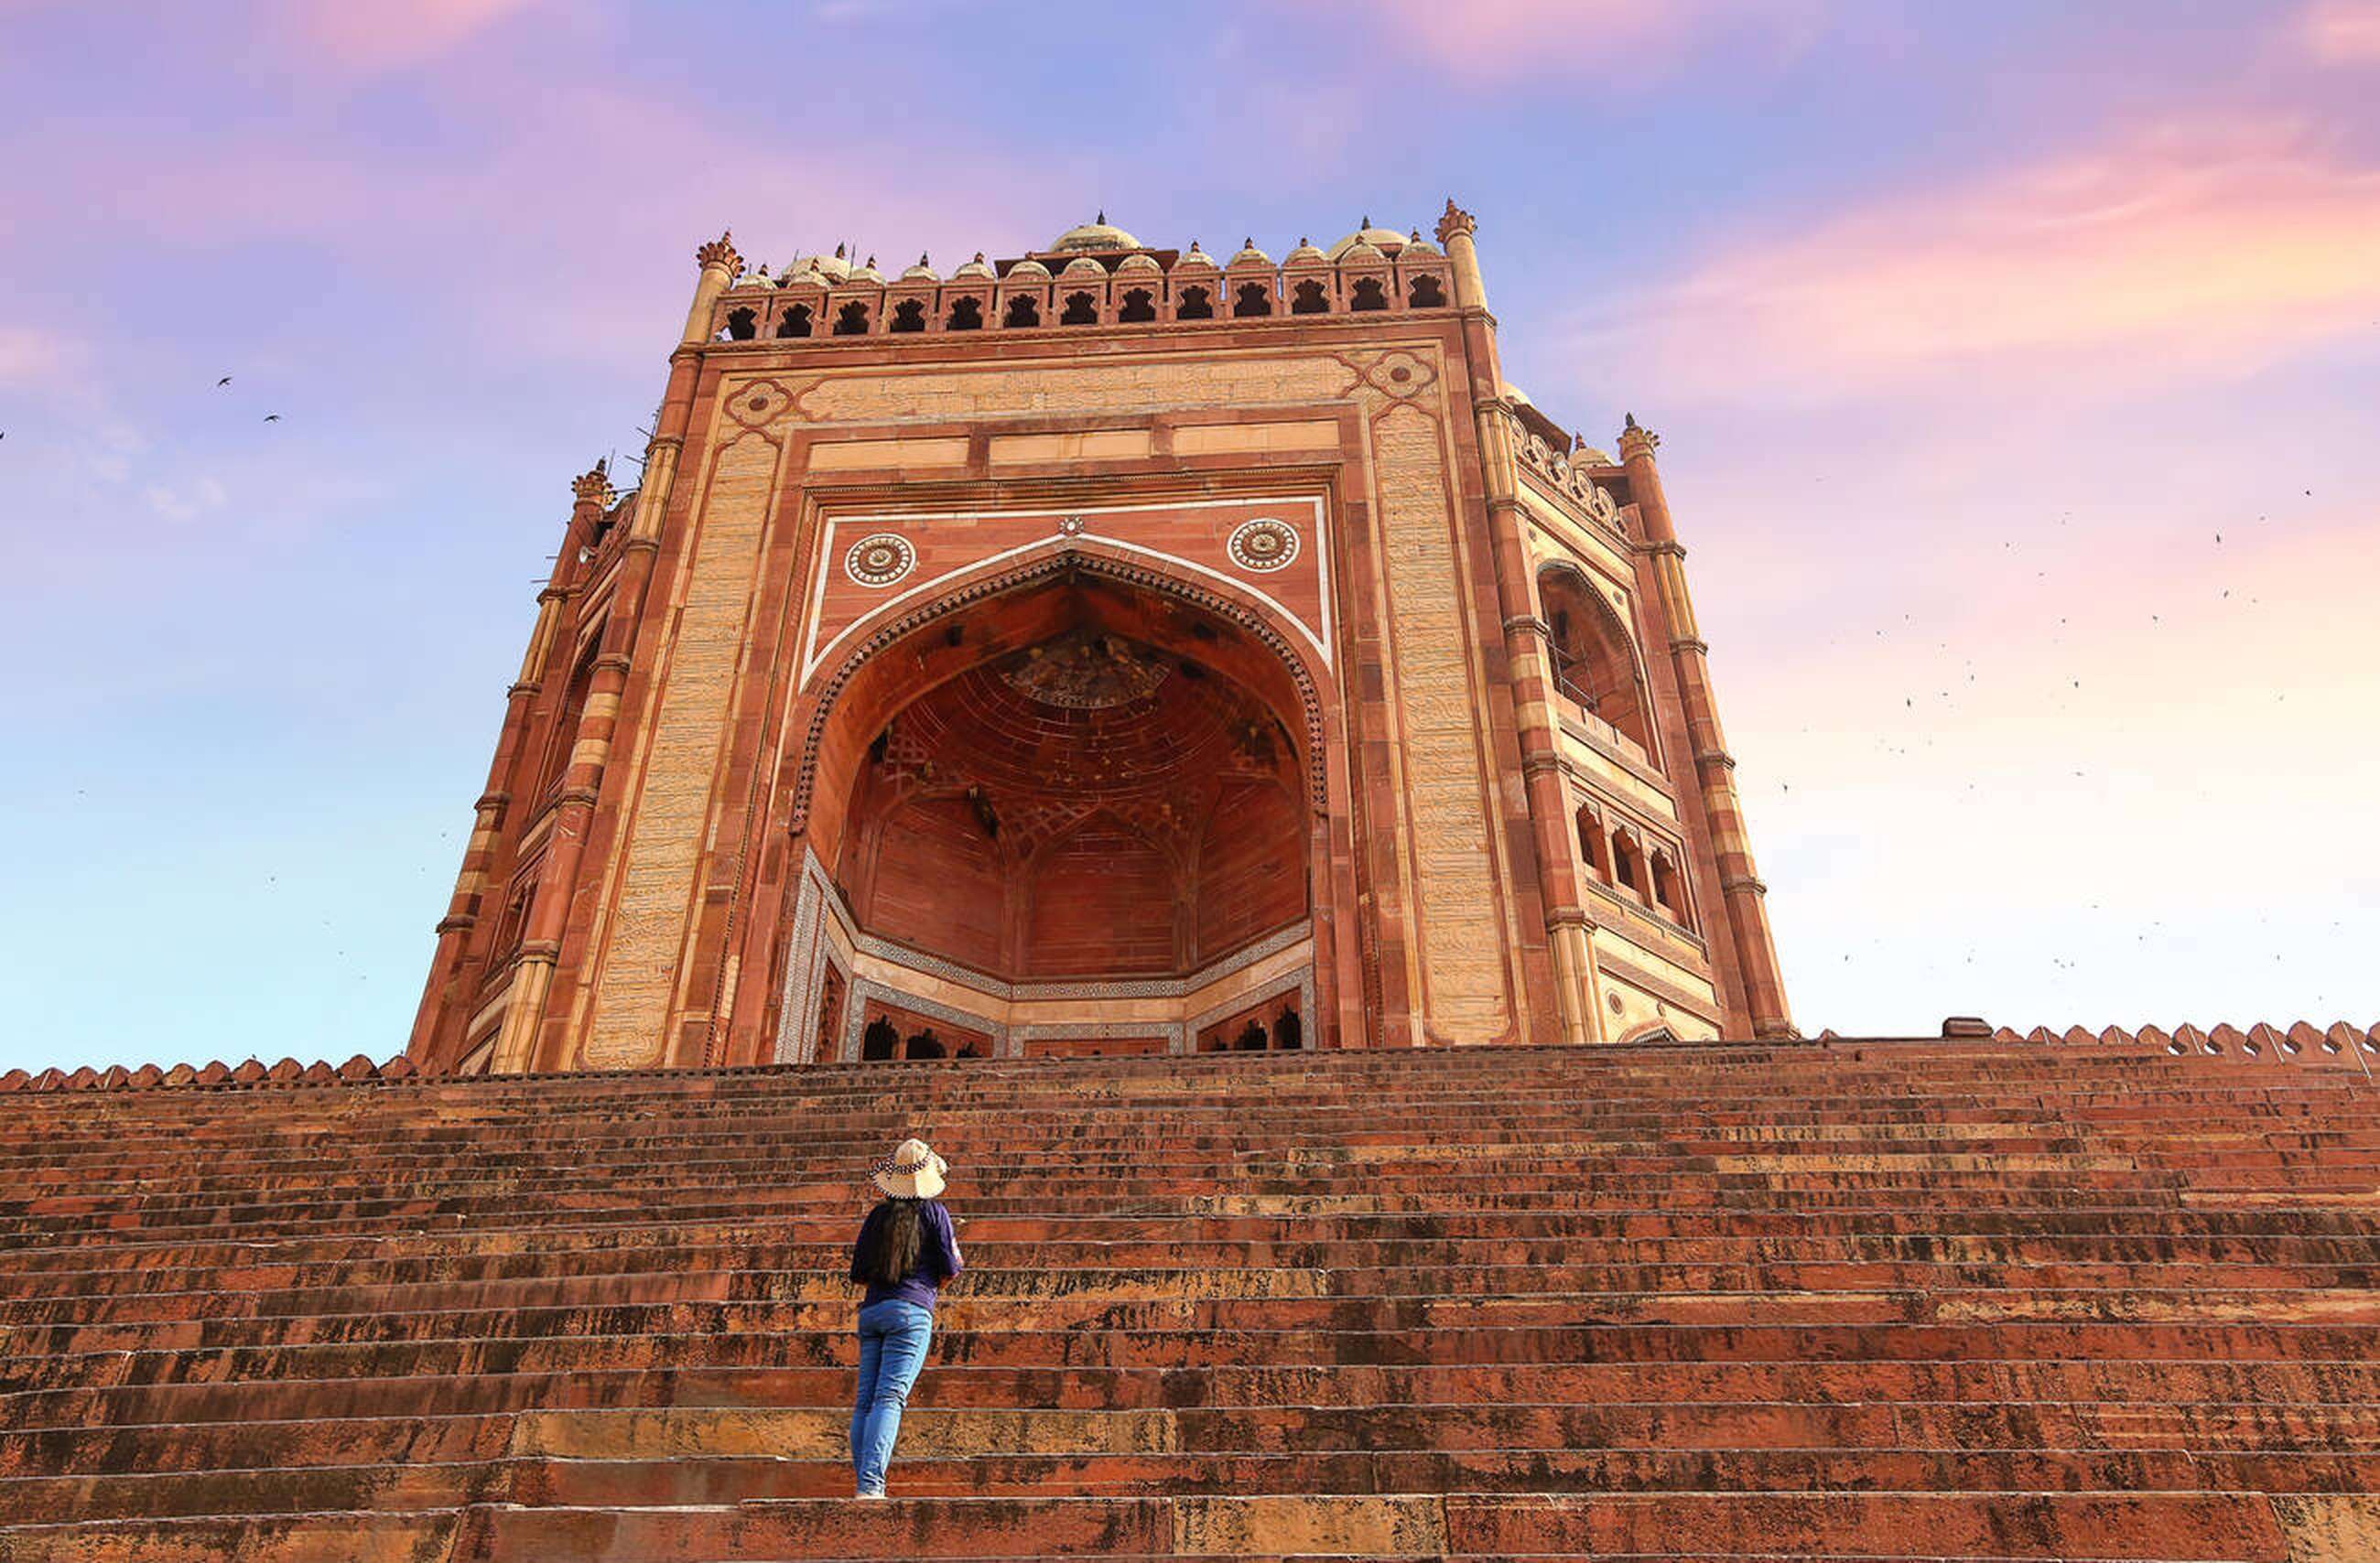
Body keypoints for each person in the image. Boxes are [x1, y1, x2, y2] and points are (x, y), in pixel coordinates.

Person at [848, 1137, 963, 1498]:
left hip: (873, 1312)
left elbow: (859, 1273)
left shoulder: (878, 1216)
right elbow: (950, 1269)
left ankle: (865, 1483)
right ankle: (870, 1485)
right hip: (911, 1313)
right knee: (889, 1398)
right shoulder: (934, 1213)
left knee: (866, 1400)